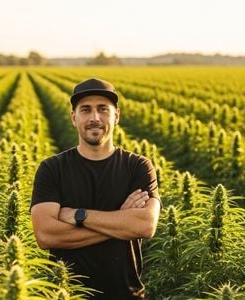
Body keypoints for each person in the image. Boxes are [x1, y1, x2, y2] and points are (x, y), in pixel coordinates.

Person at [30, 78, 161, 299]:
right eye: (85, 110)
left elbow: (145, 225)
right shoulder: (52, 169)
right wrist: (121, 221)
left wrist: (77, 215)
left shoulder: (138, 167)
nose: (94, 118)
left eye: (103, 109)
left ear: (116, 115)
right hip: (67, 294)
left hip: (126, 294)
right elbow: (45, 235)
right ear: (74, 117)